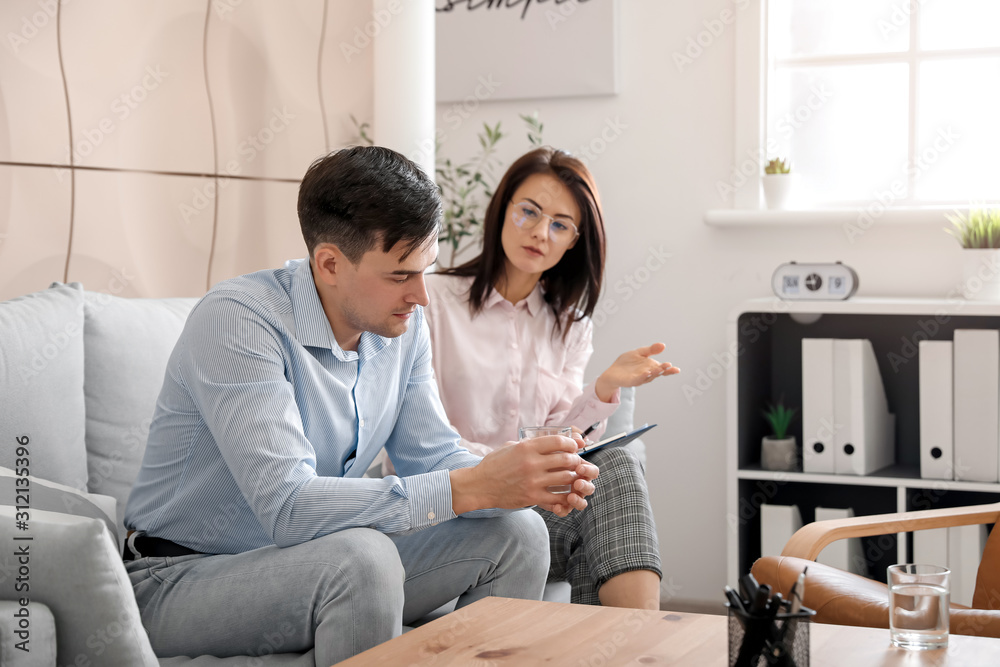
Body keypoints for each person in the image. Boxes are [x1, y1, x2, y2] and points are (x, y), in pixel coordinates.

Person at [122, 146, 599, 665]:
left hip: (308, 563)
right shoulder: (239, 321)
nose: (421, 295)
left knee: (518, 532)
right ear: (330, 263)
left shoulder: (400, 324)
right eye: (400, 275)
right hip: (180, 579)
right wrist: (474, 485)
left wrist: (518, 478)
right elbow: (287, 506)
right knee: (363, 558)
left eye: (426, 269)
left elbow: (434, 454)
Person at [415, 146, 679, 609]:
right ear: (503, 210)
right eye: (529, 212)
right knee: (605, 487)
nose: (540, 232)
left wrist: (603, 389)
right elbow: (419, 438)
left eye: (560, 224)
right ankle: (636, 650)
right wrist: (515, 464)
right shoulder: (432, 302)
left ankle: (626, 649)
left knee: (610, 467)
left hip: (535, 510)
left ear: (573, 241)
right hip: (453, 507)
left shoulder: (571, 326)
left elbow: (563, 439)